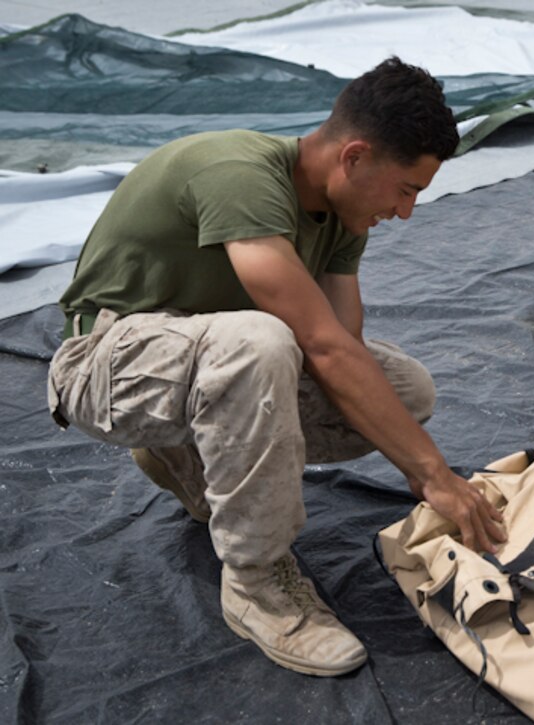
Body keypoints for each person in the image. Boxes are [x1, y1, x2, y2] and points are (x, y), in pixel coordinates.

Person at [46, 57, 505, 677]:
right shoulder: (240, 172)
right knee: (263, 341)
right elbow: (318, 343)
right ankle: (256, 583)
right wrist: (433, 475)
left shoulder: (343, 215)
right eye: (406, 190)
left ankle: (184, 453)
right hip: (104, 363)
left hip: (200, 361)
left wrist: (422, 468)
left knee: (404, 390)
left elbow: (346, 348)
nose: (406, 212)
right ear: (354, 157)